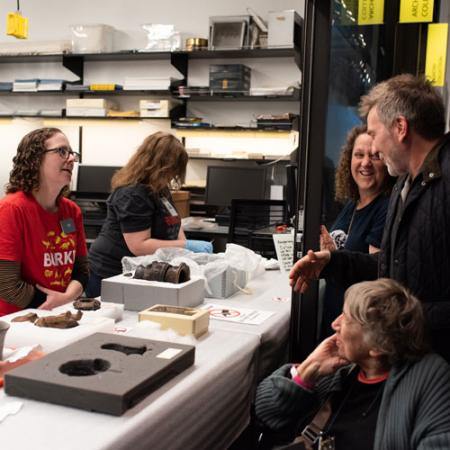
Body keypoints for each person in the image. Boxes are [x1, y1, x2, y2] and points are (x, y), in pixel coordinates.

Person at [290, 74, 450, 361]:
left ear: (400, 128)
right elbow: (390, 267)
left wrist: (401, 321)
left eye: (375, 135)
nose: (374, 149)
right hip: (407, 359)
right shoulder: (405, 184)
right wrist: (332, 262)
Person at [255, 278, 450, 449]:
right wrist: (308, 370)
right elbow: (267, 412)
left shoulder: (429, 379)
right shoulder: (346, 369)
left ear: (378, 345)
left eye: (346, 318)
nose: (335, 324)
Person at [86, 131, 212, 297]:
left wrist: (183, 248)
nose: (174, 175)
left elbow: (174, 220)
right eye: (173, 169)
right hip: (112, 272)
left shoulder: (160, 187)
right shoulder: (132, 194)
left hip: (142, 269)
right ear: (159, 165)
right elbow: (139, 245)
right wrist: (185, 246)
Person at [0, 128, 89, 316]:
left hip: (60, 313)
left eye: (72, 153)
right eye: (61, 151)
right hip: (19, 322)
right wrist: (54, 303)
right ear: (35, 159)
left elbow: (82, 270)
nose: (71, 159)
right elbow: (5, 283)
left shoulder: (72, 211)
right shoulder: (11, 209)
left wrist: (66, 299)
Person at [319, 125, 395, 338]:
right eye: (358, 155)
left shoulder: (385, 207)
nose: (365, 163)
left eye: (374, 156)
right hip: (337, 315)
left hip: (359, 327)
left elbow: (374, 274)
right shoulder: (353, 204)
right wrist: (331, 253)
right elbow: (347, 252)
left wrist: (334, 259)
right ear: (348, 161)